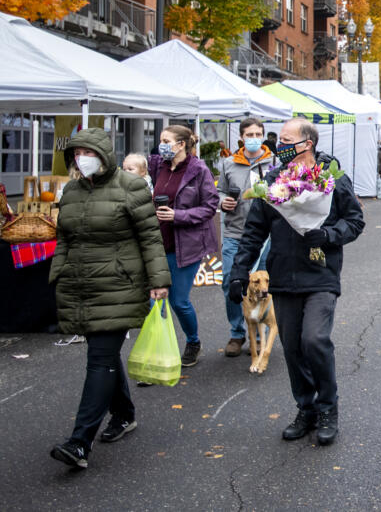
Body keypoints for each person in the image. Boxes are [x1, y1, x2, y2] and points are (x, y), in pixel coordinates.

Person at [228, 119, 364, 445]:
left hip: (320, 274)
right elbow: (254, 232)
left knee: (314, 340)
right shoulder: (273, 181)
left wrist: (328, 235)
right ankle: (307, 407)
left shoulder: (332, 178)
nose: (279, 144)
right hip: (285, 276)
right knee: (292, 348)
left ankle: (328, 407)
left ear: (307, 143)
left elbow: (355, 221)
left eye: (287, 139)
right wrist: (238, 271)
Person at [48, 128, 170, 470]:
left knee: (99, 358)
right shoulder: (71, 191)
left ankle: (79, 442)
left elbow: (149, 237)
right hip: (80, 286)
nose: (81, 158)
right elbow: (65, 238)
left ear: (104, 154)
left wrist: (159, 281)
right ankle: (125, 414)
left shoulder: (130, 187)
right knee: (104, 354)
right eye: (76, 152)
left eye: (88, 151)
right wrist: (58, 273)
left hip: (119, 284)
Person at [149, 125, 220, 368]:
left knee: (178, 300)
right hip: (158, 242)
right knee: (154, 302)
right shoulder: (157, 165)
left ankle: (193, 342)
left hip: (186, 244)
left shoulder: (198, 170)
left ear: (181, 145)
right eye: (161, 140)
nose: (161, 145)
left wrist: (178, 215)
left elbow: (210, 207)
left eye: (166, 141)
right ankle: (158, 353)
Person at [217, 118, 277, 357]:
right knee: (231, 282)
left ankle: (261, 333)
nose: (254, 137)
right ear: (241, 138)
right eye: (249, 134)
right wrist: (223, 201)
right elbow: (219, 189)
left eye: (258, 133)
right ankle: (237, 332)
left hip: (265, 236)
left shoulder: (274, 162)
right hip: (235, 232)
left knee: (263, 287)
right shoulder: (228, 163)